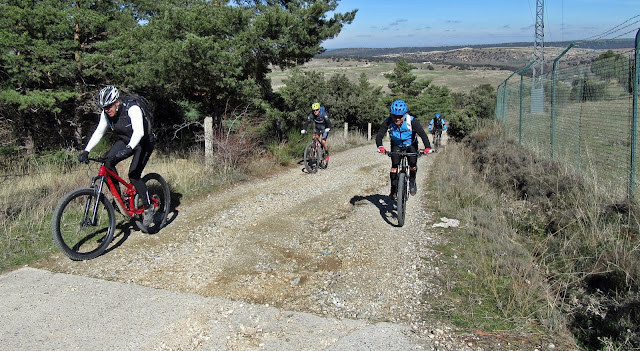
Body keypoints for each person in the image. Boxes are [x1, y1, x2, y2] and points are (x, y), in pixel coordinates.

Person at [77, 85, 155, 228]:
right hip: (126, 140)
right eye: (104, 107)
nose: (107, 110)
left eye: (109, 106)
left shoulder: (132, 109)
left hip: (144, 141)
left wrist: (129, 149)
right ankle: (119, 200)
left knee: (134, 175)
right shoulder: (105, 114)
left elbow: (139, 131)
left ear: (117, 102)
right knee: (107, 163)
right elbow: (99, 132)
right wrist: (86, 151)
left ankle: (148, 207)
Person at [375, 100, 432, 198]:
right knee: (394, 167)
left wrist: (427, 147)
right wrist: (380, 146)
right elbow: (380, 134)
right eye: (394, 116)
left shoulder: (412, 121)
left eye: (400, 116)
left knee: (413, 165)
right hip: (396, 145)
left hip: (411, 145)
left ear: (404, 115)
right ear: (391, 115)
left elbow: (422, 134)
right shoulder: (388, 121)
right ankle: (393, 190)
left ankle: (412, 181)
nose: (397, 119)